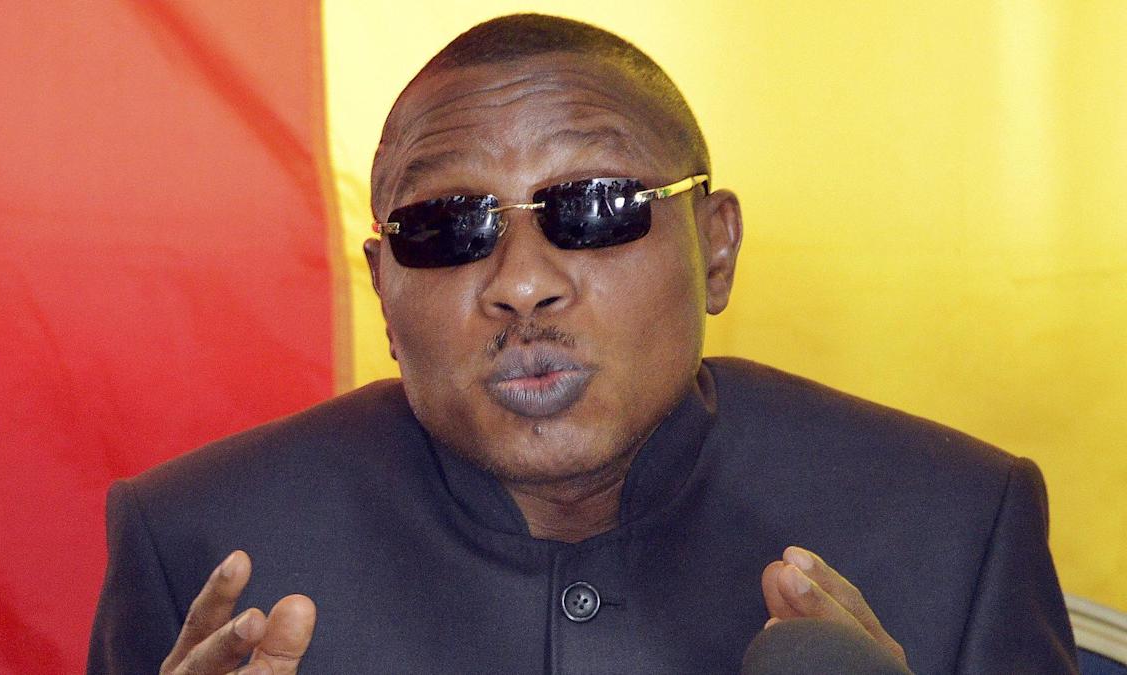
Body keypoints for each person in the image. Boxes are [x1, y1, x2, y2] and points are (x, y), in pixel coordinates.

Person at [88, 14, 1077, 674]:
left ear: (715, 249)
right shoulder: (199, 545)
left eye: (596, 207)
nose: (522, 282)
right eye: (446, 227)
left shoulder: (954, 523)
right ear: (384, 290)